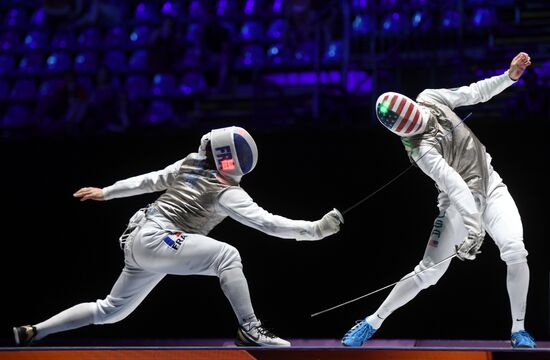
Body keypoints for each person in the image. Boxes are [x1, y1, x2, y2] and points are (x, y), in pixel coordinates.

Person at [13, 126, 343, 347]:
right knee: (226, 256)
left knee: (111, 310)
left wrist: (108, 192)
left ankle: (35, 331)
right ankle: (251, 328)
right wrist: (314, 230)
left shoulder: (194, 168)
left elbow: (149, 181)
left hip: (141, 240)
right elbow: (268, 224)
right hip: (157, 236)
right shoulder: (217, 183)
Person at [341, 52, 536, 348]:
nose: (430, 125)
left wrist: (508, 78)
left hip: (491, 185)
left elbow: (474, 92)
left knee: (515, 250)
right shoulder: (420, 150)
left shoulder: (431, 98)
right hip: (458, 205)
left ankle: (519, 330)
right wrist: (473, 228)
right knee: (427, 273)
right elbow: (455, 185)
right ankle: (372, 322)